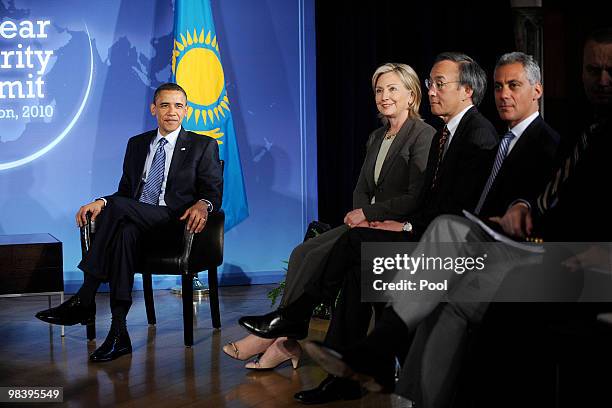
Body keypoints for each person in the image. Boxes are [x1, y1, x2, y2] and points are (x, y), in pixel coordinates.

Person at [305, 28, 612, 407]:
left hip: (545, 260)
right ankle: (397, 383)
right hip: (498, 247)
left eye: (513, 85)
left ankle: (379, 348)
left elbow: (559, 218)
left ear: (537, 90)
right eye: (499, 87)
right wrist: (523, 207)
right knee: (390, 267)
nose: (503, 95)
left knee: (429, 240)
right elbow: (543, 203)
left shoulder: (540, 140)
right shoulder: (536, 137)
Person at [239, 52, 500, 403]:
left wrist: (403, 225)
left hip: (446, 248)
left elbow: (455, 210)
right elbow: (426, 201)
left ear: (466, 90)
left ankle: (298, 321)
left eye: (440, 83)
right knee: (355, 267)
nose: (433, 90)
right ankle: (344, 373)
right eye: (431, 83)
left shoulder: (474, 133)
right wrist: (399, 223)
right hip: (422, 232)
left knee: (355, 245)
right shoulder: (445, 134)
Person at [222, 63, 436, 370]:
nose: (384, 96)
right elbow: (362, 186)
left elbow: (416, 195)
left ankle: (281, 337)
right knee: (302, 252)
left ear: (411, 96)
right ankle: (285, 335)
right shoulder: (377, 136)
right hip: (366, 224)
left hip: (395, 227)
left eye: (392, 89)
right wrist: (361, 214)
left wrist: (370, 213)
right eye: (379, 90)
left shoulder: (422, 135)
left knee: (321, 256)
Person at [35, 83, 223, 362]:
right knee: (124, 232)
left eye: (178, 106)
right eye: (165, 105)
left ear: (187, 110)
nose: (172, 112)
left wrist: (202, 204)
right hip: (138, 221)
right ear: (153, 109)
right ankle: (118, 333)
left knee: (119, 212)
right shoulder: (137, 144)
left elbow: (213, 193)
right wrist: (102, 201)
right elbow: (125, 194)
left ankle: (86, 297)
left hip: (175, 223)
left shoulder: (202, 145)